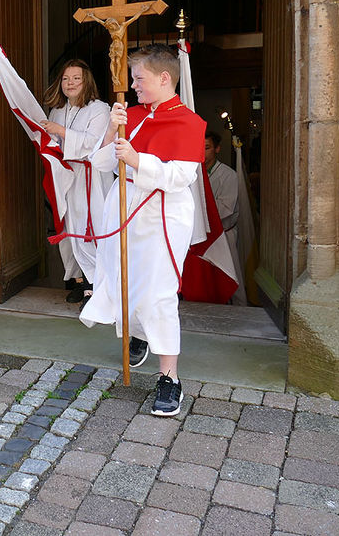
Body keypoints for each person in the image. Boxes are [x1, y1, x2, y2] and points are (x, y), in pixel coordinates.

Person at [79, 44, 206, 416]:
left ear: (164, 78)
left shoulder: (189, 123)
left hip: (161, 214)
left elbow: (181, 176)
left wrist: (137, 160)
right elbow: (103, 163)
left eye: (139, 79)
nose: (133, 86)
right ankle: (137, 333)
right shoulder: (131, 114)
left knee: (158, 293)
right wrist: (111, 129)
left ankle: (170, 377)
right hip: (122, 204)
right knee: (123, 280)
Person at [39, 60, 113, 305]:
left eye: (76, 78)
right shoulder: (57, 110)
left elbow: (93, 143)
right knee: (69, 231)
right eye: (65, 79)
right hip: (66, 178)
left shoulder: (99, 109)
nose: (70, 83)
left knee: (89, 230)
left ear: (86, 81)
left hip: (90, 179)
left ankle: (97, 285)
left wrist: (61, 131)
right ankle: (79, 282)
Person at [204, 130, 245, 305]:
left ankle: (238, 309)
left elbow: (226, 208)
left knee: (229, 274)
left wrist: (199, 216)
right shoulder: (193, 173)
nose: (202, 151)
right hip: (200, 235)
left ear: (217, 149)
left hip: (222, 233)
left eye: (207, 147)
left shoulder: (228, 175)